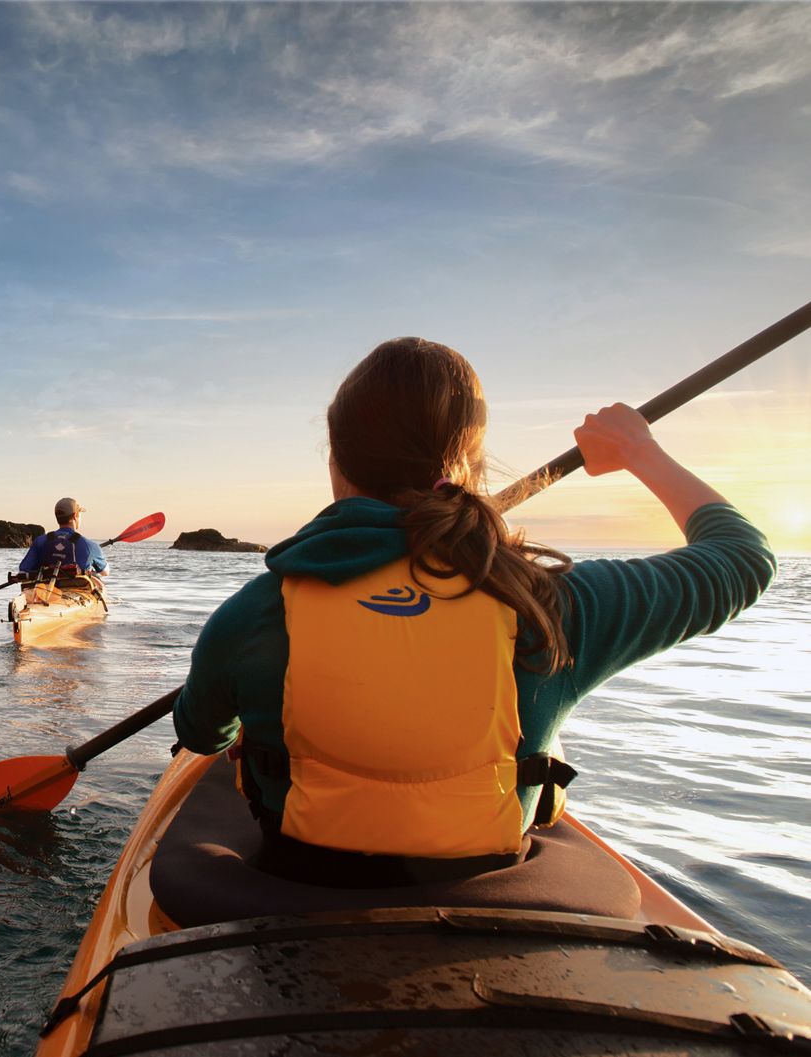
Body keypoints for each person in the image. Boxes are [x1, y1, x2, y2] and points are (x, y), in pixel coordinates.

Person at [173, 336, 775, 888]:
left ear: (336, 463)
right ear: (468, 467)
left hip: (297, 881)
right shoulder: (551, 605)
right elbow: (744, 558)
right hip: (488, 886)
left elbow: (201, 734)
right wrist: (641, 453)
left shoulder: (253, 611)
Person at [19, 498, 109, 584]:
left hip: (44, 591)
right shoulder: (89, 545)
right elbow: (105, 572)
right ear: (75, 516)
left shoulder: (40, 541)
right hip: (77, 592)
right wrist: (92, 569)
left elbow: (23, 572)